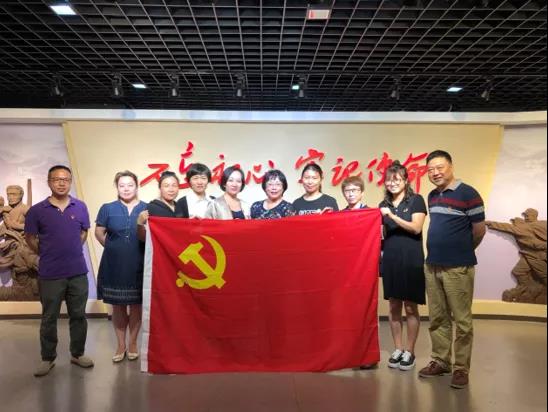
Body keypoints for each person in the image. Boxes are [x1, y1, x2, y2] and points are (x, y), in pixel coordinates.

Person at [418, 150, 486, 389]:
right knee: (437, 317)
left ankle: (461, 368)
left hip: (458, 267)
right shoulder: (432, 196)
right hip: (432, 264)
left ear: (451, 166)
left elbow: (479, 230)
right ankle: (441, 361)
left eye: (440, 167)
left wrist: (462, 251)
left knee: (462, 321)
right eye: (430, 170)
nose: (435, 173)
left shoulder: (469, 194)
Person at [24, 165, 94, 377]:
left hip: (77, 271)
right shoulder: (37, 210)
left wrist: (71, 249)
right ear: (49, 182)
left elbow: (84, 232)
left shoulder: (80, 206)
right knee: (49, 317)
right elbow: (30, 238)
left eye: (66, 179)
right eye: (57, 179)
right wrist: (47, 252)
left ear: (70, 182)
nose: (61, 183)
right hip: (50, 272)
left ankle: (77, 354)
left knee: (78, 315)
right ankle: (48, 358)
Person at [379, 161, 427, 371]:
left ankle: (410, 351)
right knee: (393, 306)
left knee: (410, 307)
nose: (392, 183)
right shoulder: (383, 204)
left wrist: (391, 216)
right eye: (389, 180)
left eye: (396, 179)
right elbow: (381, 234)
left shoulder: (416, 200)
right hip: (391, 259)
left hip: (411, 259)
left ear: (406, 180)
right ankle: (398, 349)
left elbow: (416, 228)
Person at [95, 171, 147, 363]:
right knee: (117, 306)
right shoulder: (107, 208)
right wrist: (114, 248)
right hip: (114, 263)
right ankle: (120, 345)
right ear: (117, 187)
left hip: (139, 262)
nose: (126, 189)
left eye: (130, 185)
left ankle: (132, 343)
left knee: (136, 305)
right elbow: (99, 233)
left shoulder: (146, 208)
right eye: (122, 185)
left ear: (137, 186)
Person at [485, 209, 547, 303]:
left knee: (544, 275)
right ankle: (529, 289)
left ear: (534, 215)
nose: (526, 217)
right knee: (518, 271)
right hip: (528, 255)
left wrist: (490, 223)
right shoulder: (527, 226)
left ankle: (538, 291)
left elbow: (506, 227)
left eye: (527, 215)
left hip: (537, 256)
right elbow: (508, 227)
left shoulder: (533, 226)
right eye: (525, 216)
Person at [137, 171, 183, 239]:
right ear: (160, 188)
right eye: (166, 186)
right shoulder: (151, 208)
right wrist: (140, 224)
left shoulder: (180, 207)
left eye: (174, 185)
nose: (171, 189)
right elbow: (143, 238)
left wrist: (195, 222)